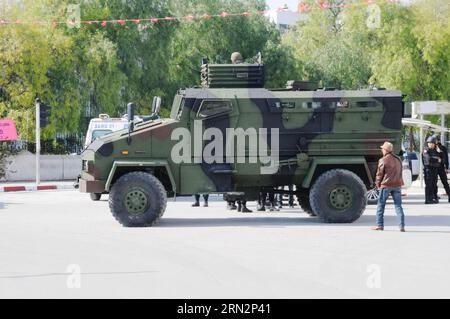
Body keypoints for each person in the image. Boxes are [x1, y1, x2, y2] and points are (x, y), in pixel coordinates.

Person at [372, 142, 405, 232]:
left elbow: (379, 174)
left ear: (386, 150)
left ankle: (379, 225)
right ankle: (401, 226)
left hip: (386, 185)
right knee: (398, 206)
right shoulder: (398, 159)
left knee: (381, 205)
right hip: (397, 185)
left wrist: (377, 184)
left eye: (382, 149)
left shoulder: (383, 160)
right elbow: (400, 172)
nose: (381, 150)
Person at [422, 136, 441, 204]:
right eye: (429, 143)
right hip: (428, 170)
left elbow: (440, 160)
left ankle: (434, 197)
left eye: (432, 143)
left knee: (434, 185)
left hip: (434, 170)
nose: (431, 144)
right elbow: (428, 161)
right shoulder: (426, 150)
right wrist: (436, 160)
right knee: (428, 185)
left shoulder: (435, 150)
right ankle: (428, 199)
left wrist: (437, 159)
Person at [433, 135, 450, 202]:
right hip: (434, 167)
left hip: (441, 167)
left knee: (445, 182)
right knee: (434, 182)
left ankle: (449, 195)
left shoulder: (442, 148)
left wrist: (447, 167)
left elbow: (446, 158)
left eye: (436, 140)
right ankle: (435, 196)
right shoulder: (432, 148)